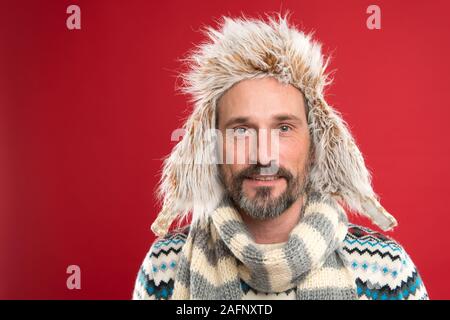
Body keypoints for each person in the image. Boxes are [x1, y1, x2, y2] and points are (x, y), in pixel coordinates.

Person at [132, 13, 428, 300]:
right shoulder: (164, 267)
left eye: (283, 128)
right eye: (241, 130)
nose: (264, 156)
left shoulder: (386, 270)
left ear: (314, 145)